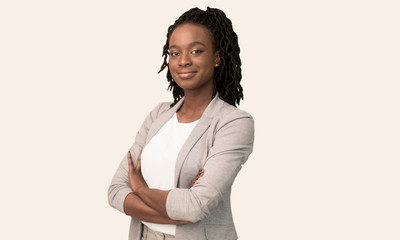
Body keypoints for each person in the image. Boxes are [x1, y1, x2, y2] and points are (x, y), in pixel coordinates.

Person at [108, 7, 254, 240]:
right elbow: (116, 191)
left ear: (217, 57)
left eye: (196, 51)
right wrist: (177, 214)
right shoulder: (158, 115)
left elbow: (195, 206)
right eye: (175, 53)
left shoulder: (233, 123)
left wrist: (141, 190)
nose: (183, 61)